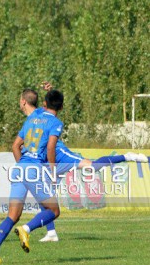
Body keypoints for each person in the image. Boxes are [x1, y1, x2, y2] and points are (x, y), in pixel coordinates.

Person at [35, 82, 148, 242]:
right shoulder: (40, 114)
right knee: (44, 194)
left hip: (59, 154)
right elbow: (50, 105)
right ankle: (51, 233)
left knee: (92, 167)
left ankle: (127, 156)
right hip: (47, 158)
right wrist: (49, 92)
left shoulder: (43, 116)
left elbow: (50, 111)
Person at [0, 89, 64, 264]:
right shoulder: (56, 123)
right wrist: (52, 171)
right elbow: (51, 148)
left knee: (12, 216)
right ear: (62, 106)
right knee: (54, 210)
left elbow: (15, 146)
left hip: (19, 168)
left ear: (44, 103)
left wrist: (23, 167)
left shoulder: (31, 120)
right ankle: (26, 229)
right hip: (33, 169)